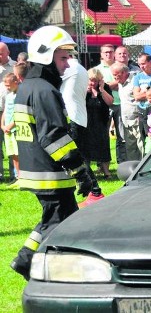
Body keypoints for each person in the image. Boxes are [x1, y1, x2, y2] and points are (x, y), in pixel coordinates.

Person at [10, 26, 93, 280]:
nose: (68, 65)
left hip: (36, 169)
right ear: (45, 56)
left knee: (53, 218)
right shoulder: (45, 91)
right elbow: (54, 137)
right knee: (63, 221)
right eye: (63, 58)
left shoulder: (28, 86)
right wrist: (80, 171)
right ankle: (45, 268)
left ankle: (26, 260)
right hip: (49, 173)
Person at [61, 55, 105, 207]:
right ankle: (94, 191)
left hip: (73, 119)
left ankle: (95, 191)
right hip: (78, 119)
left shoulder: (71, 69)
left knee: (76, 157)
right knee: (80, 157)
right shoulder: (78, 69)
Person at [84, 68, 114, 178]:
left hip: (101, 121)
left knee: (103, 145)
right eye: (91, 80)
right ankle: (87, 171)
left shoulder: (104, 88)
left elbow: (110, 102)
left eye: (95, 80)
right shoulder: (83, 89)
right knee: (86, 146)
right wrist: (85, 92)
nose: (93, 83)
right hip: (86, 122)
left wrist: (101, 90)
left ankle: (106, 171)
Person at [111, 62, 143, 161]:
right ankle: (133, 169)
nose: (115, 77)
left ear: (125, 72)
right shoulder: (121, 83)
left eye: (116, 74)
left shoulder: (135, 81)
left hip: (137, 119)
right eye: (113, 75)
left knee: (140, 146)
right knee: (130, 147)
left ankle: (143, 168)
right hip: (126, 120)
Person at [0, 42, 16, 183]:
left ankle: (14, 174)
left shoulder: (15, 67)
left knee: (13, 146)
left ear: (8, 52)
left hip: (10, 110)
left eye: (1, 53)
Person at [1, 73, 20, 188]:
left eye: (8, 85)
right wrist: (3, 125)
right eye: (5, 86)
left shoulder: (19, 96)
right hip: (7, 129)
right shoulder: (8, 96)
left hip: (15, 129)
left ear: (15, 82)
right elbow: (4, 112)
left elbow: (19, 113)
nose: (7, 88)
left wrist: (11, 126)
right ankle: (17, 176)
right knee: (12, 154)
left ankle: (22, 177)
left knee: (19, 154)